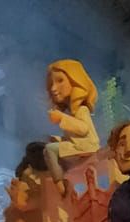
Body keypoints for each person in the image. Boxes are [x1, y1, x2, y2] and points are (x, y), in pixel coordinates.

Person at [42, 59, 99, 188]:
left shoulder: (81, 110)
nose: (53, 88)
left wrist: (61, 118)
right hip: (81, 146)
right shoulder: (72, 113)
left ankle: (59, 184)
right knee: (51, 146)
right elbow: (75, 137)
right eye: (51, 84)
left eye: (60, 81)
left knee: (49, 150)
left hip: (87, 147)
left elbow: (83, 129)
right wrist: (58, 139)